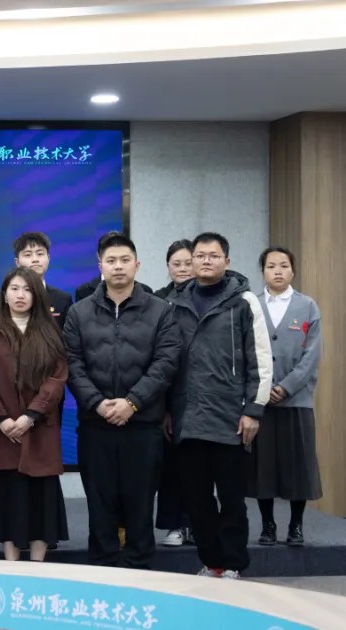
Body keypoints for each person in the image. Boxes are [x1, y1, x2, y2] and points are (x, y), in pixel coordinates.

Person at [63, 232, 181, 569]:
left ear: (137, 265)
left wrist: (132, 402)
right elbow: (72, 363)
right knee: (100, 505)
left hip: (143, 425)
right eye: (111, 261)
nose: (118, 266)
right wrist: (98, 404)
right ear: (100, 265)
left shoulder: (160, 311)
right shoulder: (79, 312)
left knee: (140, 504)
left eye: (125, 260)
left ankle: (140, 571)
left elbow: (166, 363)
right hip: (95, 425)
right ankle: (103, 572)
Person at [168, 232, 272, 579]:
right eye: (200, 255)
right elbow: (167, 361)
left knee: (231, 499)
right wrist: (168, 410)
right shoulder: (175, 303)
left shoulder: (244, 301)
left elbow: (261, 360)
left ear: (226, 261)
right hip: (188, 417)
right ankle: (212, 562)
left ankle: (233, 564)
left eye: (213, 255)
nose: (206, 261)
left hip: (231, 418)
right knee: (196, 499)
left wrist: (253, 409)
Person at [0, 266, 69, 561]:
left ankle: (38, 564)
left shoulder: (50, 332)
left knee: (41, 498)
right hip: (3, 432)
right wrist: (2, 418)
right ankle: (11, 563)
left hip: (39, 427)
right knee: (8, 498)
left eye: (27, 289)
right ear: (4, 295)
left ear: (37, 295)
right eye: (14, 289)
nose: (20, 295)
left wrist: (31, 415)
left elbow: (57, 379)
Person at [248, 246, 323, 547]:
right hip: (260, 400)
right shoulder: (251, 304)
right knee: (262, 467)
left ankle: (296, 525)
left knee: (297, 466)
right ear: (263, 271)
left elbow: (312, 355)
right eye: (271, 266)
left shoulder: (307, 306)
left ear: (292, 271)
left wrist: (286, 387)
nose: (277, 271)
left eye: (283, 265)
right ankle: (267, 526)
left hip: (296, 400)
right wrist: (263, 389)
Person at [154, 239, 195, 547]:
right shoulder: (158, 300)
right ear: (168, 267)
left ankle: (198, 524)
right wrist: (164, 407)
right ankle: (175, 526)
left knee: (200, 466)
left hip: (203, 395)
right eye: (176, 263)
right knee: (171, 466)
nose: (182, 268)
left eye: (187, 262)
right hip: (169, 394)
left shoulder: (210, 298)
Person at [12, 232, 73, 328]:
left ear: (48, 258)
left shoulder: (62, 300)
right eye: (28, 255)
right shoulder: (2, 299)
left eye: (40, 254)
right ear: (17, 262)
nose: (35, 259)